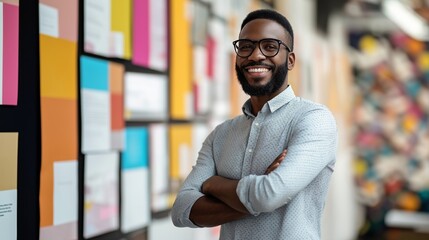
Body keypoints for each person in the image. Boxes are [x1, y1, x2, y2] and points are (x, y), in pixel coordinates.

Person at [171, 9, 337, 240]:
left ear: (290, 60)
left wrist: (212, 184)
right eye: (246, 46)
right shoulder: (221, 134)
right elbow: (181, 210)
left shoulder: (313, 119)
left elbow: (269, 195)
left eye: (270, 46)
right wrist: (256, 194)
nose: (256, 55)